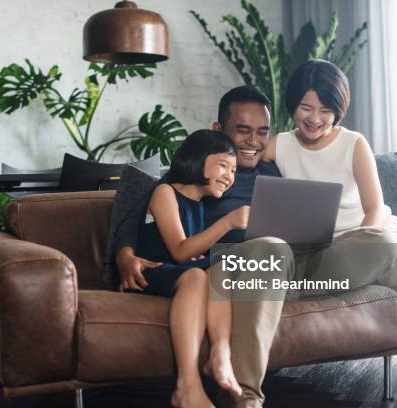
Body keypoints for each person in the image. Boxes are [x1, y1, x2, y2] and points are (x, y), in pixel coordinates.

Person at [115, 86, 291, 408]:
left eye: (262, 132)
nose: (253, 141)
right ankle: (241, 394)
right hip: (218, 263)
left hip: (262, 260)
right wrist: (124, 254)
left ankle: (221, 356)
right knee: (228, 266)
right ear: (218, 131)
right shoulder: (186, 183)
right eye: (243, 130)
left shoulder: (271, 172)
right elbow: (137, 214)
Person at [264, 59, 397, 291]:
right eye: (306, 108)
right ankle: (317, 283)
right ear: (292, 104)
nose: (314, 119)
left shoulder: (353, 143)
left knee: (383, 246)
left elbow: (375, 209)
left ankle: (308, 286)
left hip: (368, 236)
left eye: (325, 111)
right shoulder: (280, 144)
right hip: (323, 252)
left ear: (338, 110)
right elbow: (235, 163)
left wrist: (358, 247)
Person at [128, 129, 247, 407]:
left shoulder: (198, 205)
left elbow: (191, 252)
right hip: (151, 272)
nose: (230, 176)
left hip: (175, 273)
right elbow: (180, 251)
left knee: (222, 266)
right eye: (223, 165)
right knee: (195, 275)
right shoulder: (164, 192)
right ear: (197, 159)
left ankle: (220, 353)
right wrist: (229, 222)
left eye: (234, 170)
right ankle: (187, 386)